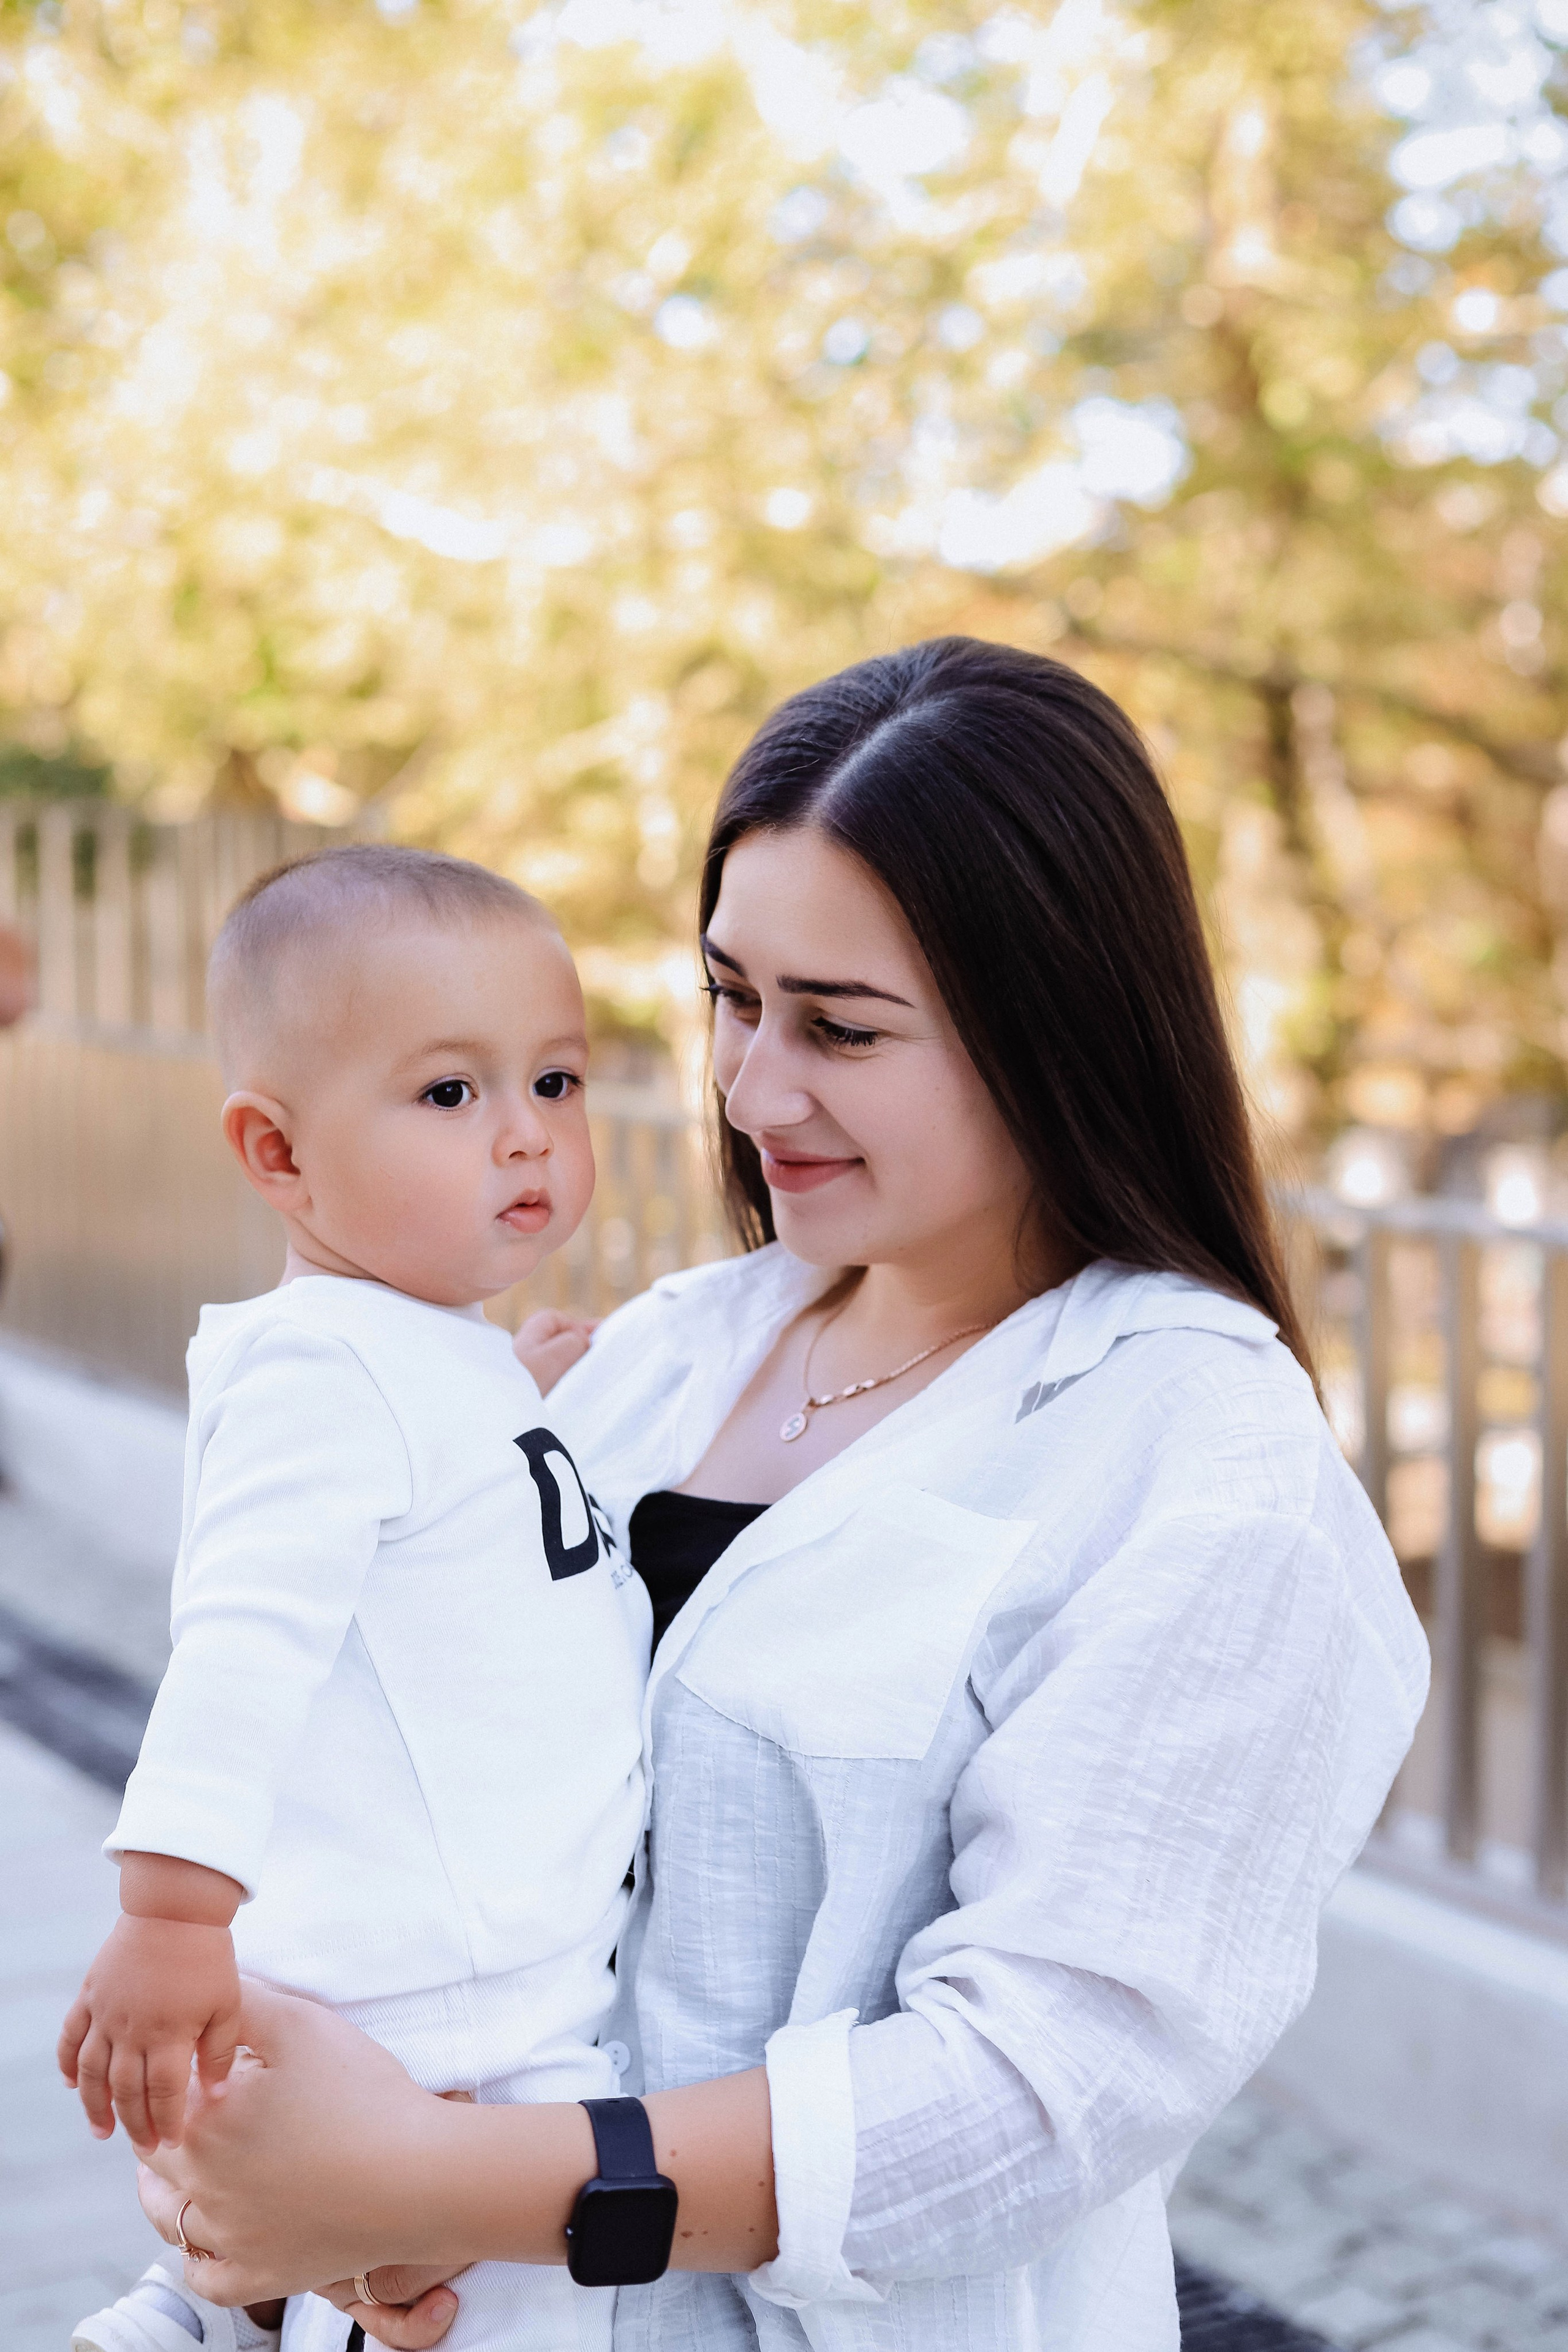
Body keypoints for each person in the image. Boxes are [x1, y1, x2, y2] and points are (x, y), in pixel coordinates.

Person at [137, 639, 1428, 2352]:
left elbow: (1037, 2091)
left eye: (840, 1028)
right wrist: (242, 2223)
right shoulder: (652, 1358)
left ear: (1060, 1029)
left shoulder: (1205, 1473)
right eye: (732, 999)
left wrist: (437, 2183)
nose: (751, 1091)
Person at [61, 848, 650, 2352]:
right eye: (450, 1097)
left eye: (557, 1083)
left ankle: (228, 2316)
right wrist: (173, 1915)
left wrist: (504, 1401)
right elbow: (242, 1646)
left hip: (496, 1985)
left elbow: (421, 1529)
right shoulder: (321, 1371)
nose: (524, 1139)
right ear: (277, 1154)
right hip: (454, 2005)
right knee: (494, 2306)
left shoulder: (419, 1351)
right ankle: (214, 2318)